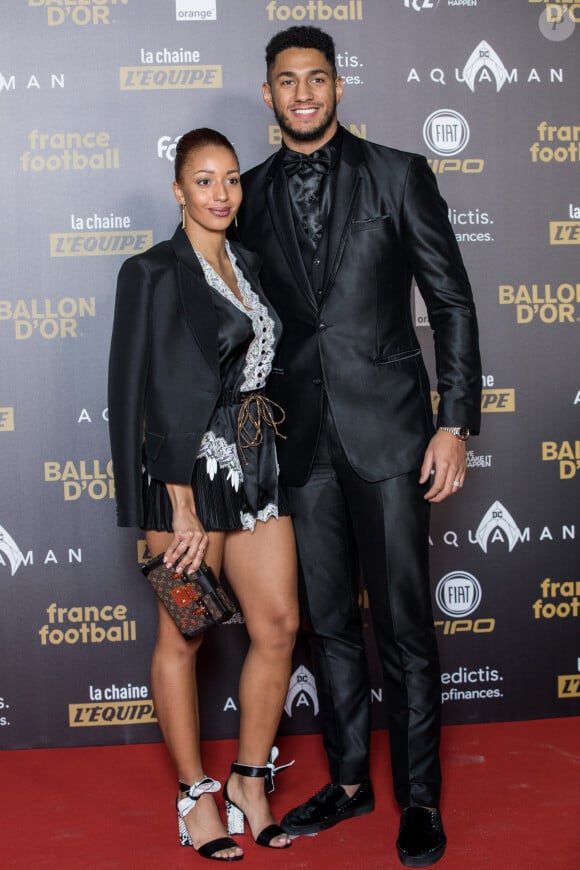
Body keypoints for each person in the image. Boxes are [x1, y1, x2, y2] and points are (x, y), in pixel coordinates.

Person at [234, 26, 482, 868]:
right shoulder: (252, 193)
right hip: (298, 447)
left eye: (316, 78)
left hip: (392, 435)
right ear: (268, 96)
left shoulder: (399, 174)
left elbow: (450, 302)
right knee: (331, 626)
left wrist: (454, 422)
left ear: (338, 88)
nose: (302, 93)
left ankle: (419, 797)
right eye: (286, 81)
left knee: (406, 626)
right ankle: (348, 781)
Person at [108, 128, 299, 862]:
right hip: (185, 475)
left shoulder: (246, 264)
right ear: (178, 189)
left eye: (230, 180)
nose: (220, 194)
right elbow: (130, 395)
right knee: (183, 635)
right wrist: (171, 500)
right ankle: (195, 795)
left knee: (278, 623)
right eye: (203, 180)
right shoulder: (151, 272)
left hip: (256, 462)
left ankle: (251, 778)